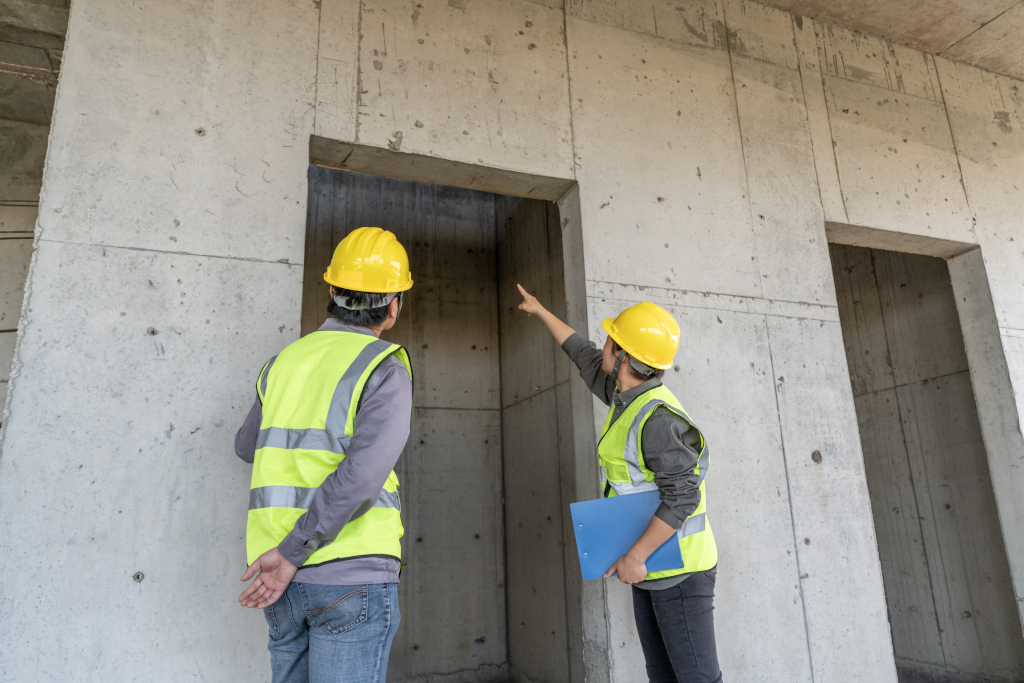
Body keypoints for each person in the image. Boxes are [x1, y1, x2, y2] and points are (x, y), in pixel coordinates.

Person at [234, 227, 415, 683]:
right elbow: (362, 475)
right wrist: (297, 550)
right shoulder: (382, 365)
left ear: (332, 289)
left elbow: (244, 446)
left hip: (279, 575)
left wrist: (289, 554)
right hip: (346, 571)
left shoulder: (284, 361)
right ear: (393, 306)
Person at [517, 284, 721, 683]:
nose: (604, 344)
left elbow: (682, 497)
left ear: (624, 356)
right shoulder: (626, 393)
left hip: (678, 569)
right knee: (661, 675)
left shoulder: (658, 418)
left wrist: (635, 557)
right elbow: (583, 354)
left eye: (611, 341)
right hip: (652, 564)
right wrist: (541, 311)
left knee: (698, 679)